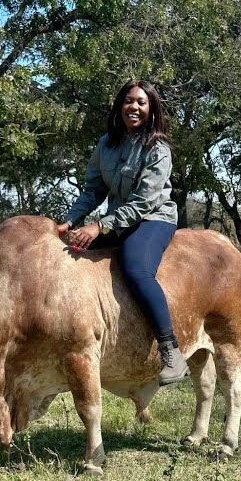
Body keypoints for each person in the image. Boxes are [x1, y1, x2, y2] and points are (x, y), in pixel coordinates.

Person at [55, 80, 189, 386]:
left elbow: (144, 202)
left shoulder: (158, 149)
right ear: (119, 106)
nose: (135, 107)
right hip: (118, 219)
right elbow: (94, 190)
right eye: (129, 101)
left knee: (136, 269)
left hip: (152, 219)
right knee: (74, 253)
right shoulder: (106, 145)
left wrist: (100, 226)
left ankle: (171, 351)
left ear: (151, 109)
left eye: (142, 103)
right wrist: (70, 221)